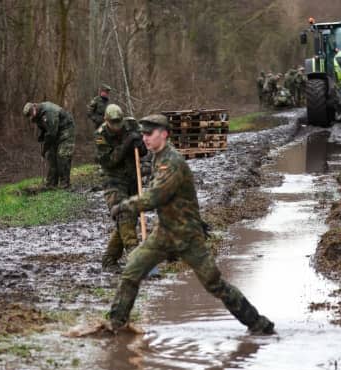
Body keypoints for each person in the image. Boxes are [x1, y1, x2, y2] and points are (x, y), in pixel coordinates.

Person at [106, 115, 275, 335]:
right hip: (164, 233)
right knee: (131, 271)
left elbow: (155, 197)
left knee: (214, 284)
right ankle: (115, 325)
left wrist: (124, 206)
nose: (145, 138)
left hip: (188, 236)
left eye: (149, 134)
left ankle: (258, 324)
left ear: (164, 134)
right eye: (143, 134)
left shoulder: (172, 162)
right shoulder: (158, 157)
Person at [95, 104, 147, 272]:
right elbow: (110, 161)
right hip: (113, 180)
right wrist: (126, 142)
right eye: (113, 123)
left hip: (132, 178)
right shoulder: (100, 135)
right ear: (106, 120)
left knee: (129, 220)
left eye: (119, 122)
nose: (117, 127)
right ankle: (136, 256)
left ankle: (109, 260)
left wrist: (140, 144)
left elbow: (144, 151)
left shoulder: (131, 125)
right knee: (123, 214)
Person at [23, 101, 75, 189]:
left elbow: (51, 133)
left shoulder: (49, 111)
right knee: (51, 156)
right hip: (54, 131)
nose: (31, 116)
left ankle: (65, 183)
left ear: (34, 107)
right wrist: (42, 135)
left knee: (62, 155)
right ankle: (51, 183)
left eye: (31, 113)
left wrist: (44, 149)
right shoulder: (36, 116)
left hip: (66, 129)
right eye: (29, 115)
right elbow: (45, 128)